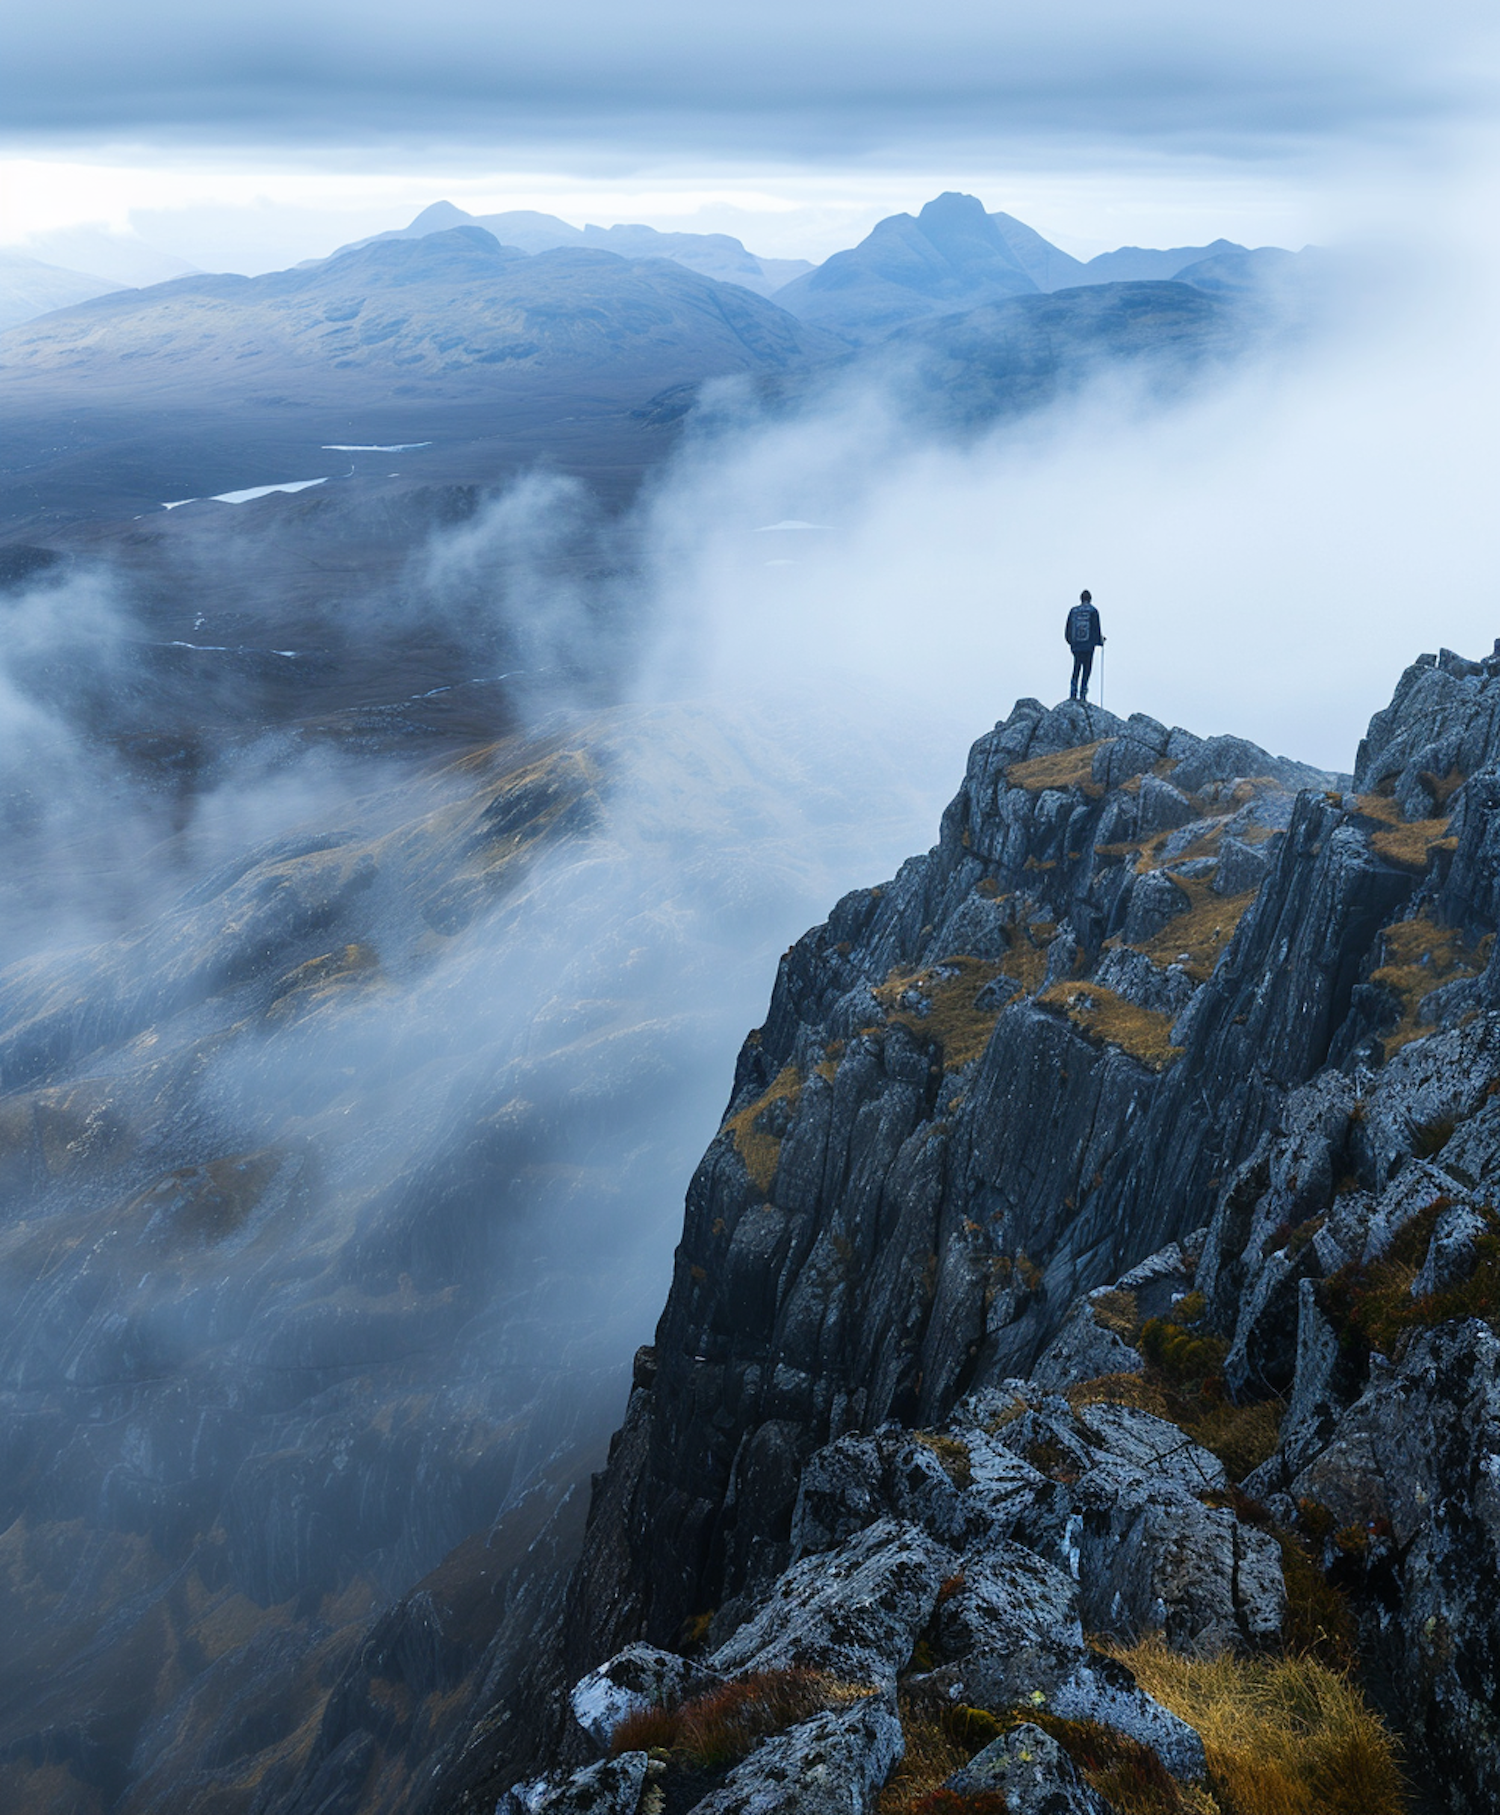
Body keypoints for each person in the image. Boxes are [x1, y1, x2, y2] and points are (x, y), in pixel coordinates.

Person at [1065, 589, 1104, 702]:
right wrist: (1099, 642)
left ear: (1081, 598)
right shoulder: (1093, 611)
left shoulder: (1073, 611)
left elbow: (1067, 629)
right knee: (1087, 670)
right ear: (1090, 599)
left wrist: (1071, 643)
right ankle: (1083, 694)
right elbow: (1096, 630)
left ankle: (1073, 693)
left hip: (1076, 646)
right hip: (1088, 646)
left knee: (1076, 668)